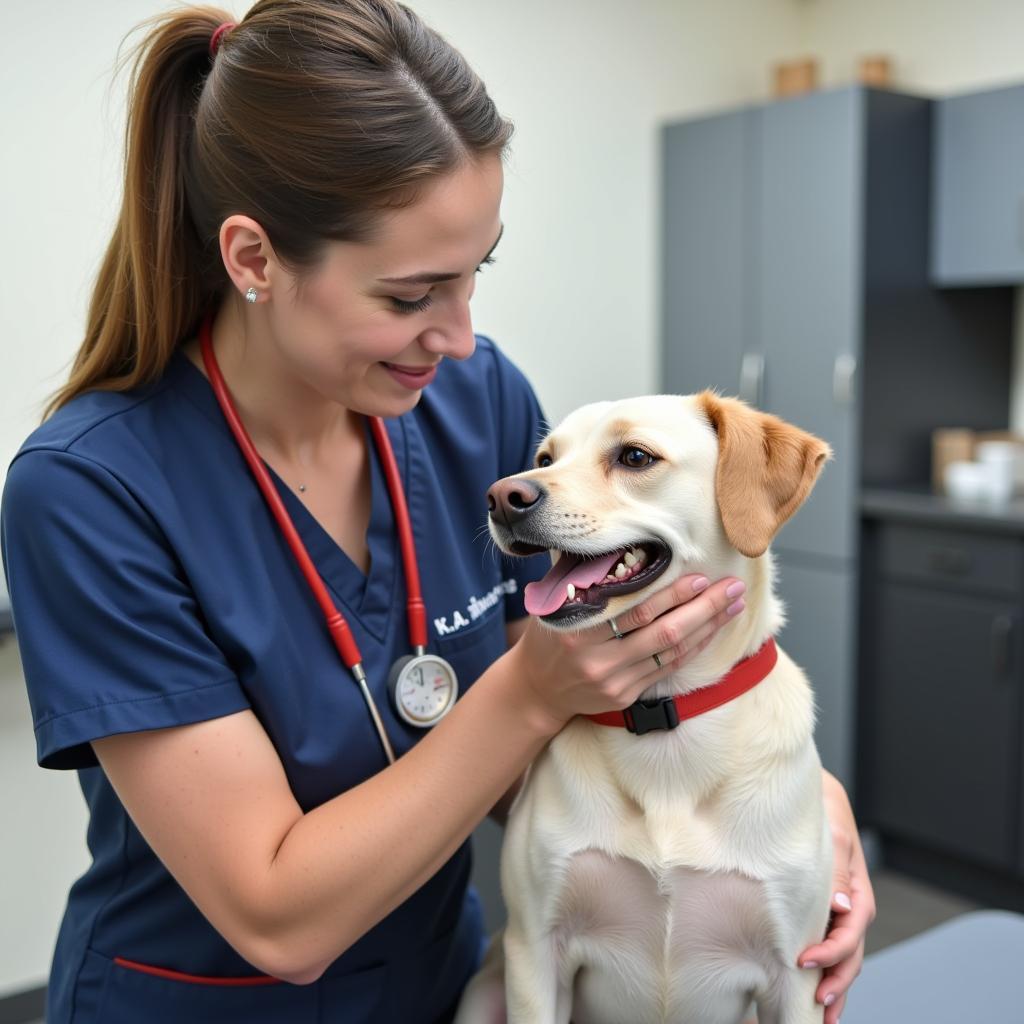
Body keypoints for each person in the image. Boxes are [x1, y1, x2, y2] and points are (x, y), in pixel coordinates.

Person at [0, 2, 874, 1022]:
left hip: (443, 984)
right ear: (252, 260)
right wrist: (529, 693)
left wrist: (796, 813)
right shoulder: (92, 489)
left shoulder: (471, 402)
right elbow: (276, 915)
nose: (458, 337)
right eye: (412, 295)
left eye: (475, 274)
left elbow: (554, 750)